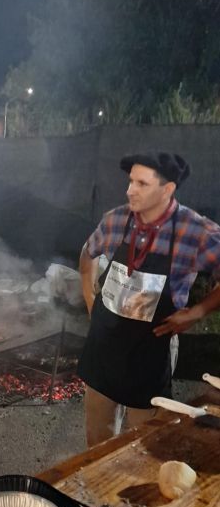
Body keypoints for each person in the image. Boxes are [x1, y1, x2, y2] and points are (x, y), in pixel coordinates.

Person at [78, 152, 220, 447]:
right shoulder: (116, 220)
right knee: (97, 445)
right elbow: (87, 253)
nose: (130, 190)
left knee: (140, 445)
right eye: (131, 181)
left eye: (142, 183)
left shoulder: (195, 232)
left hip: (149, 353)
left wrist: (197, 312)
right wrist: (90, 299)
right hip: (104, 348)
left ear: (167, 190)